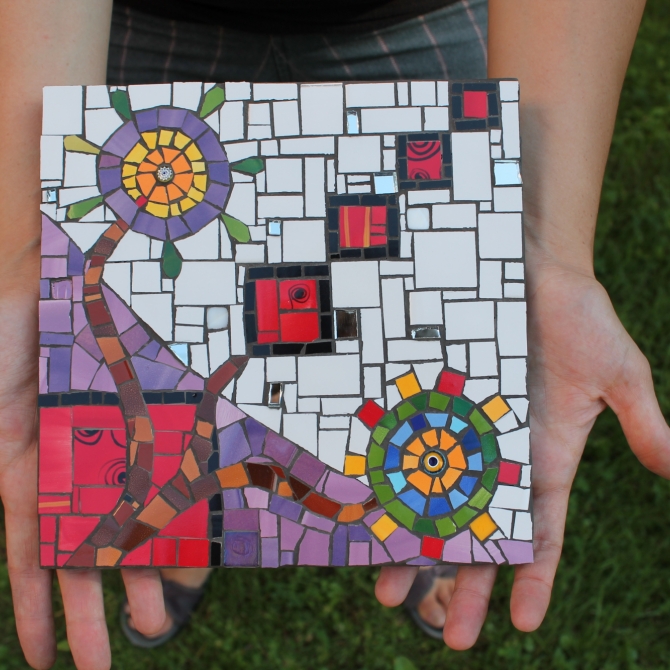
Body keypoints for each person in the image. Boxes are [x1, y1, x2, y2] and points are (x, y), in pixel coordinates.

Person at [1, 0, 669, 667]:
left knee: (417, 287)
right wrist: (33, 250)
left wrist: (545, 247)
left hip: (418, 14)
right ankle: (188, 530)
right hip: (133, 23)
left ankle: (414, 518)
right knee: (181, 338)